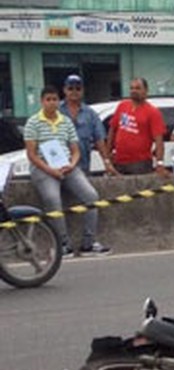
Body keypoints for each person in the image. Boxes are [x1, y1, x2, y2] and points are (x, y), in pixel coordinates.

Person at [24, 85, 110, 256]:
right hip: (43, 168)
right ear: (42, 102)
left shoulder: (65, 121)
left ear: (58, 101)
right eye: (48, 99)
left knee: (91, 196)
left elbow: (75, 149)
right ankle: (63, 243)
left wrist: (72, 164)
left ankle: (89, 242)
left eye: (54, 99)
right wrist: (50, 170)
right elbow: (32, 154)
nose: (51, 103)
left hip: (67, 166)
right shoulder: (33, 122)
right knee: (53, 199)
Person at [109, 77, 168, 177]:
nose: (134, 91)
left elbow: (159, 141)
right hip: (118, 161)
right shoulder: (122, 106)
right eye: (132, 88)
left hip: (140, 164)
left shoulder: (153, 112)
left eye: (137, 88)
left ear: (146, 90)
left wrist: (160, 163)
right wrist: (108, 155)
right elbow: (112, 130)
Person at [60, 74, 118, 176]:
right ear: (64, 90)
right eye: (70, 88)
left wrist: (106, 161)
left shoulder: (90, 114)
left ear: (82, 91)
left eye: (78, 88)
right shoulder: (55, 111)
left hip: (83, 167)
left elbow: (99, 139)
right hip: (59, 166)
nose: (74, 91)